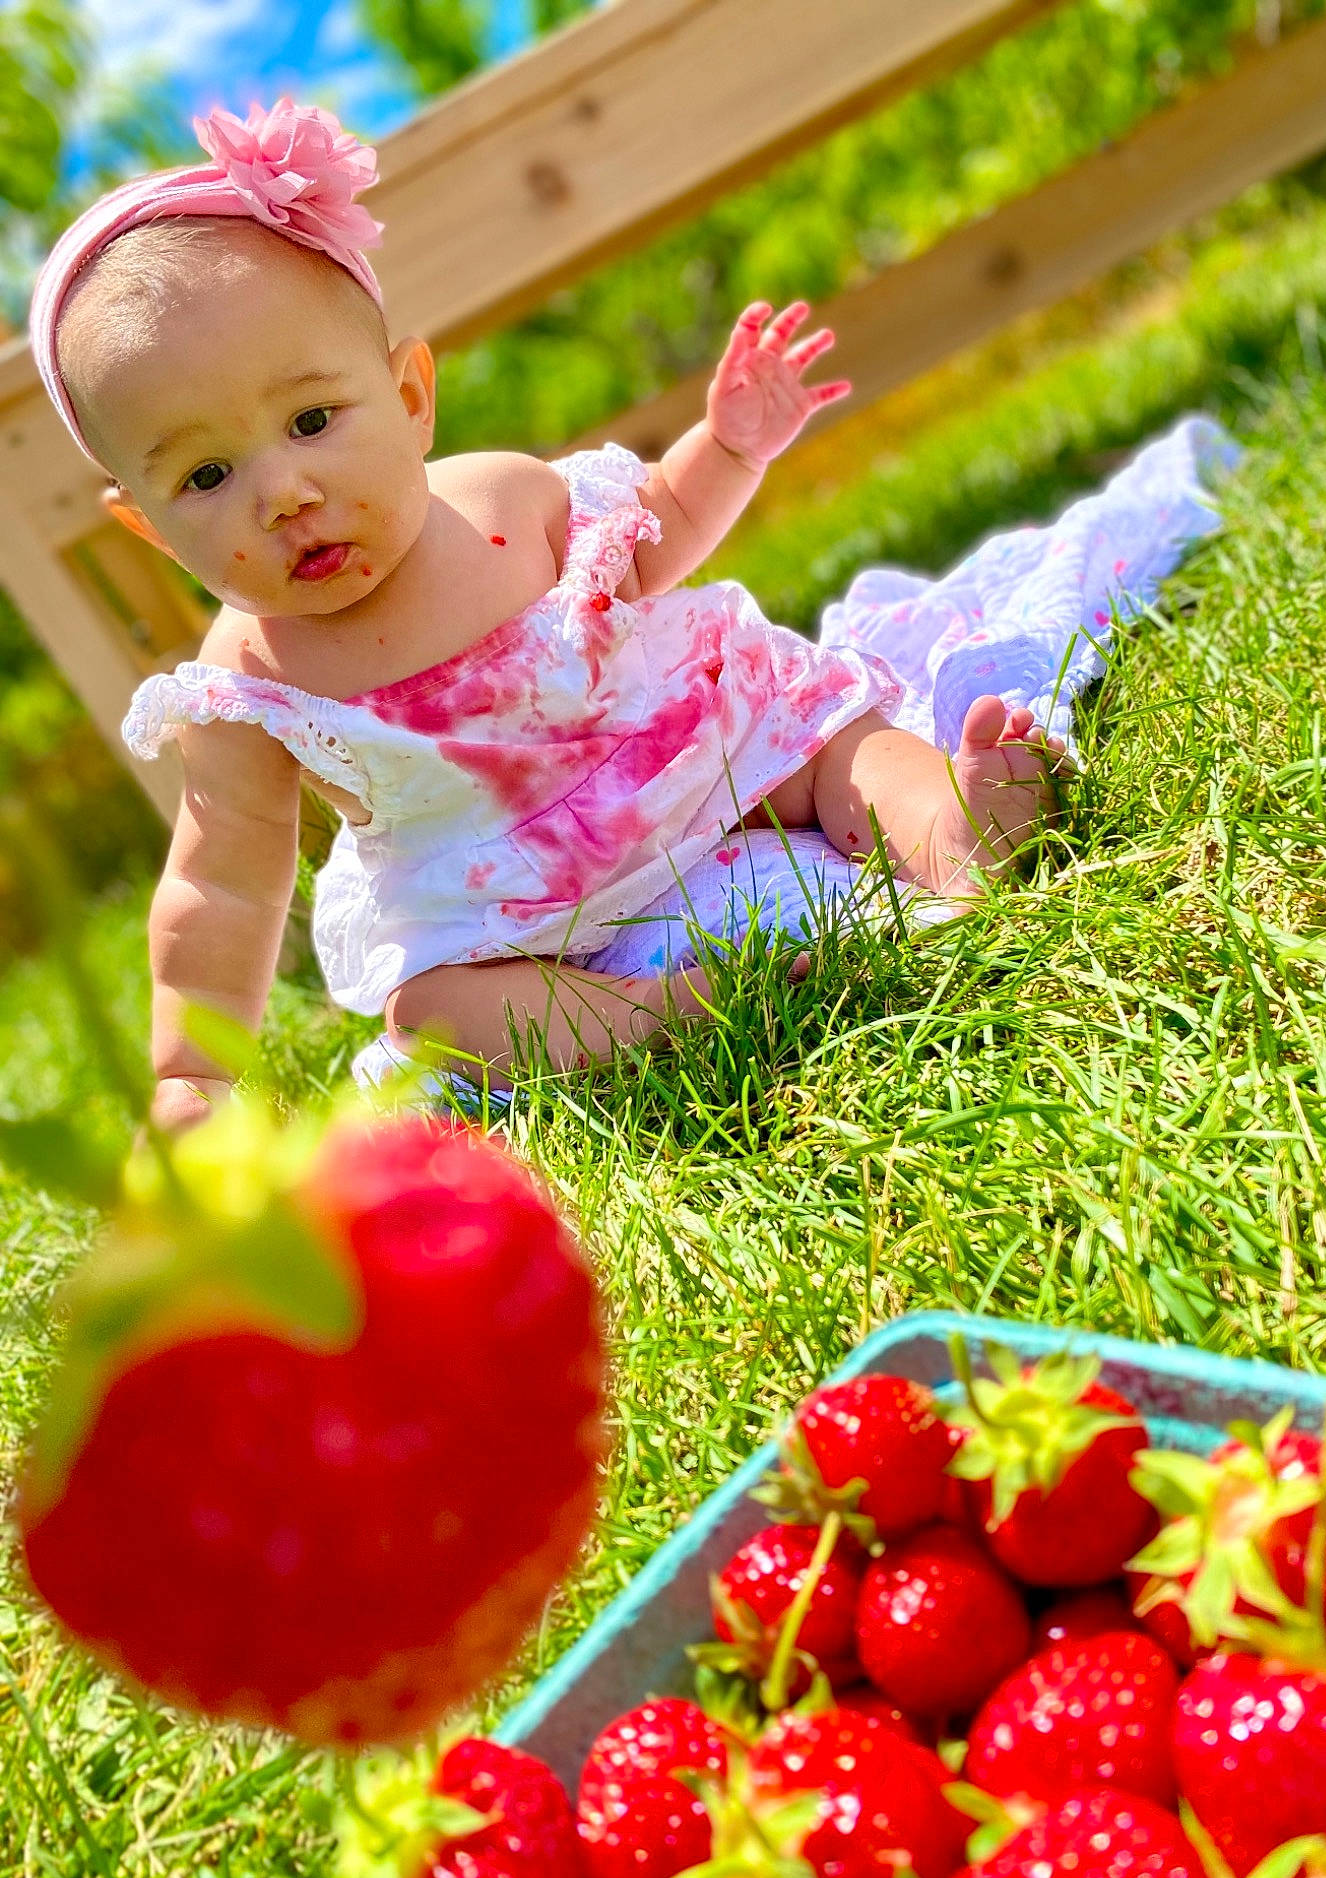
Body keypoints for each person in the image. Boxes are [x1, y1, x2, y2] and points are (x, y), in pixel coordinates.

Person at [30, 100, 1232, 1126]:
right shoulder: (247, 684)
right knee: (434, 1010)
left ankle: (958, 833)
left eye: (310, 421)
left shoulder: (501, 501)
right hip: (508, 903)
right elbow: (221, 886)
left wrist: (731, 447)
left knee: (837, 748)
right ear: (150, 525)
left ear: (409, 397)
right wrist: (190, 1073)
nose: (283, 493)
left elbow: (652, 534)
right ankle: (653, 1013)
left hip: (696, 748)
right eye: (205, 476)